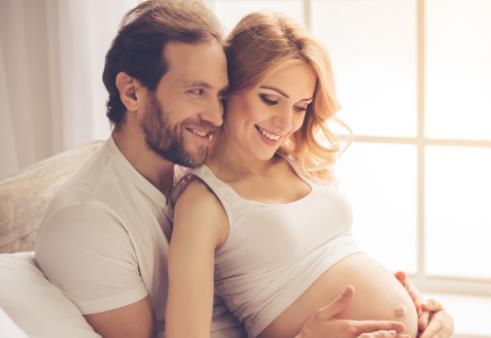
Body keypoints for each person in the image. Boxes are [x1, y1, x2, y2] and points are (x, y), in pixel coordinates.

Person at [34, 1, 453, 338]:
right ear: (131, 92)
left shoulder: (202, 160)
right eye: (197, 92)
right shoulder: (98, 216)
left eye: (218, 93)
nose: (213, 113)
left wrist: (420, 311)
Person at [166, 9, 453, 338]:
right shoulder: (204, 203)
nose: (286, 123)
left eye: (301, 107)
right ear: (229, 89)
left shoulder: (300, 163)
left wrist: (425, 313)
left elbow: (329, 264)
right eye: (271, 99)